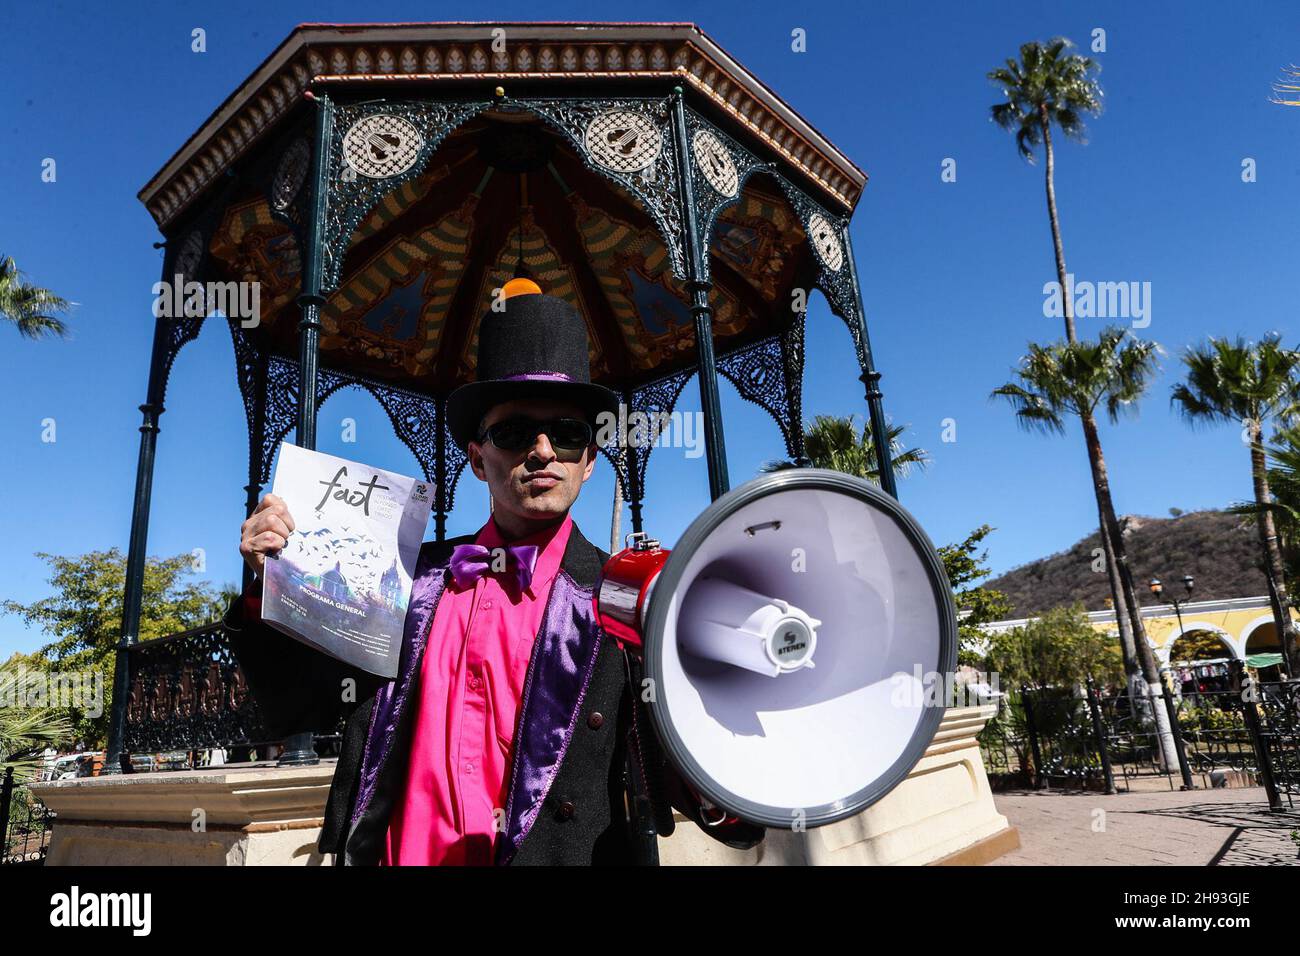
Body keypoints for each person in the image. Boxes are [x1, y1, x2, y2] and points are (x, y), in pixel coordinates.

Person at [226, 280, 762, 865]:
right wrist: (269, 581)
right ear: (479, 458)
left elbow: (694, 776)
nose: (541, 450)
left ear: (588, 461)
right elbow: (301, 701)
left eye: (567, 433)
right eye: (512, 432)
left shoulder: (624, 595)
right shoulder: (406, 579)